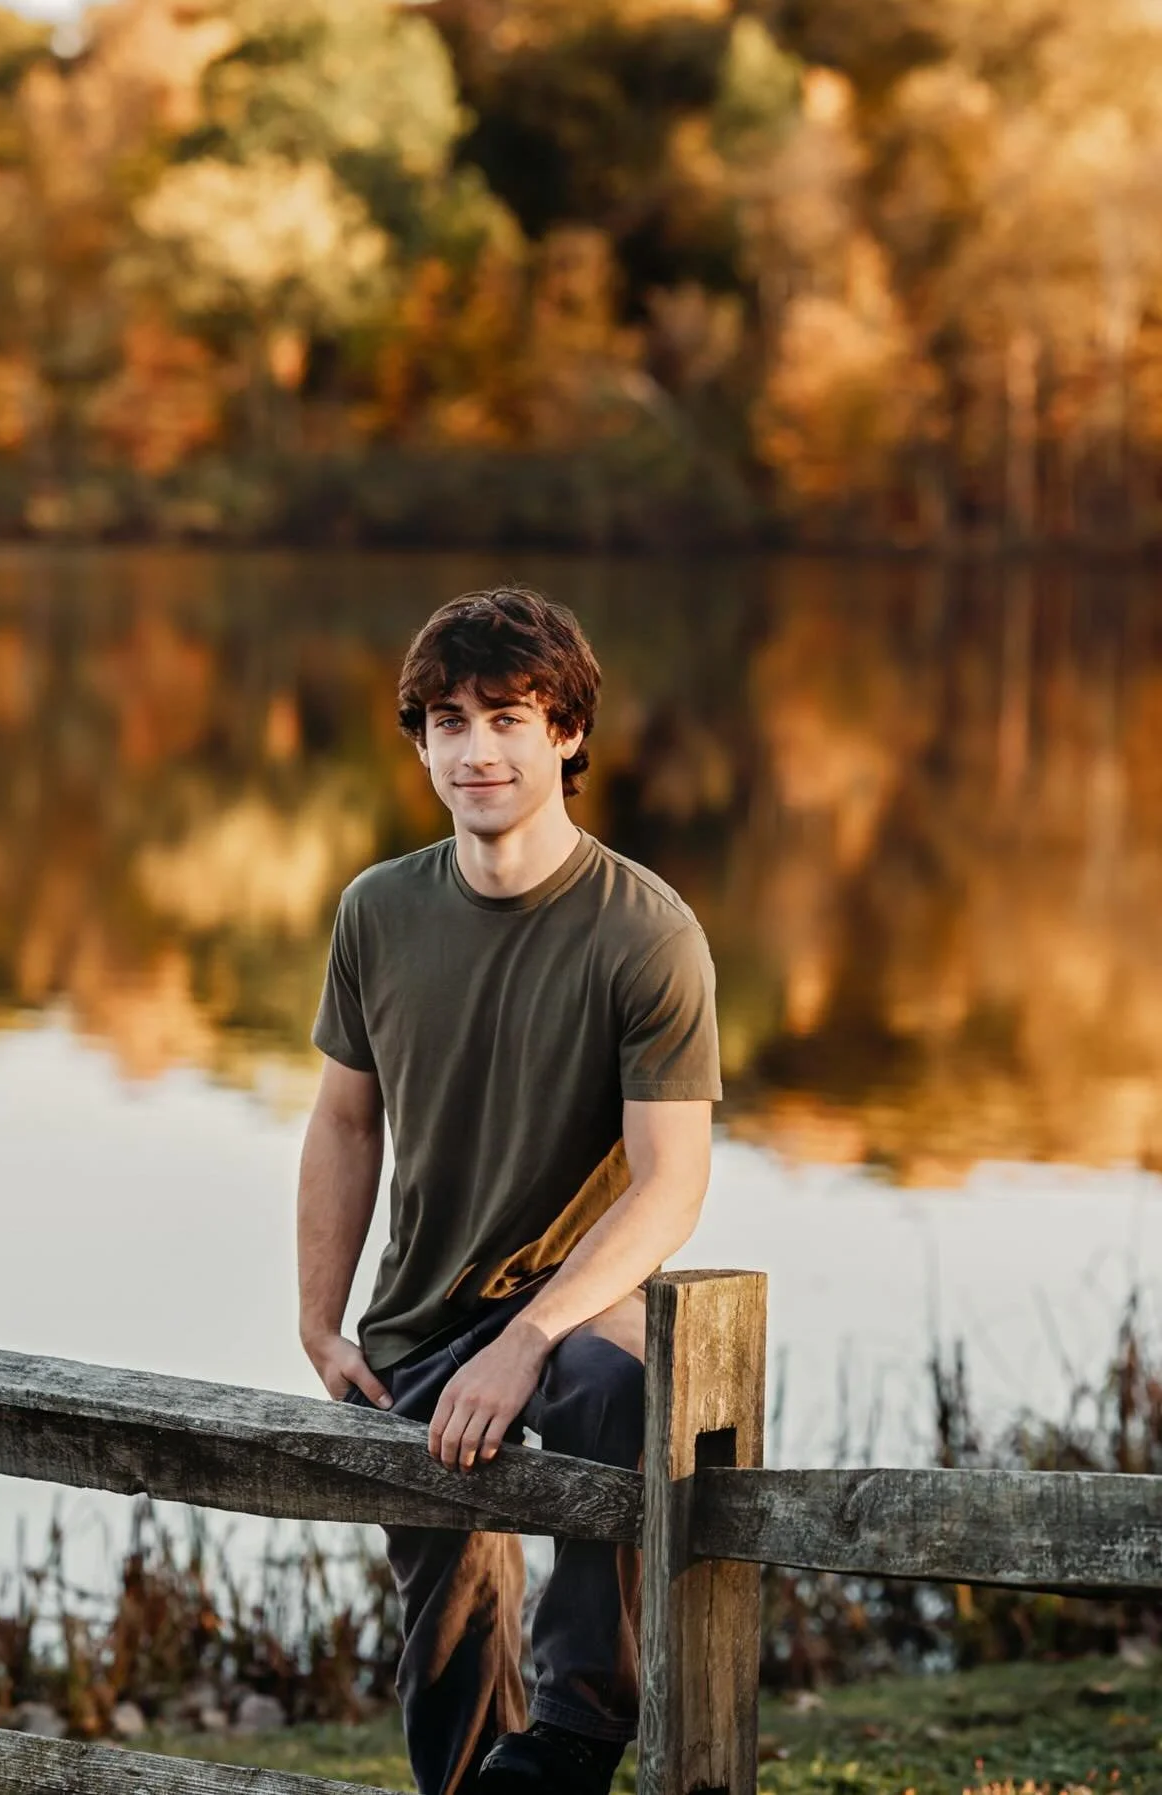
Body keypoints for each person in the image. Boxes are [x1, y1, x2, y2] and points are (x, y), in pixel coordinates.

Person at [296, 587, 721, 1795]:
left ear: (567, 733)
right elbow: (345, 1121)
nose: (475, 749)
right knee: (451, 1629)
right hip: (424, 1312)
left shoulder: (647, 933)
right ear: (421, 741)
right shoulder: (377, 911)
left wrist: (528, 1339)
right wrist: (319, 1322)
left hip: (582, 1298)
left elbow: (671, 1185)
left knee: (610, 1387)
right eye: (449, 721)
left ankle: (581, 1729)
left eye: (508, 718)